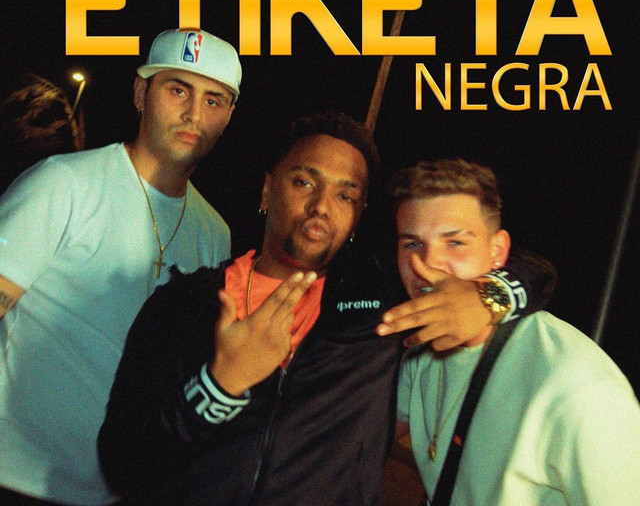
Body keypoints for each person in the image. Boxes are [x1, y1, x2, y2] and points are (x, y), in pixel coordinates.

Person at [98, 112, 555, 506]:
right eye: (304, 182)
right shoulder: (183, 304)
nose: (320, 206)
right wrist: (220, 386)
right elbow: (121, 465)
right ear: (268, 189)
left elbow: (537, 271)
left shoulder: (383, 302)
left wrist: (489, 296)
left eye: (345, 195)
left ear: (356, 216)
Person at [0, 28, 241, 506]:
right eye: (178, 90)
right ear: (140, 93)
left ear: (228, 115)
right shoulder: (65, 184)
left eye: (213, 100)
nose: (194, 113)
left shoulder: (215, 233)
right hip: (12, 475)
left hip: (114, 494)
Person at [391, 159, 640, 506]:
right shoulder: (420, 352)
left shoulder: (577, 385)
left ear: (497, 252)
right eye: (412, 244)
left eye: (455, 242)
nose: (426, 263)